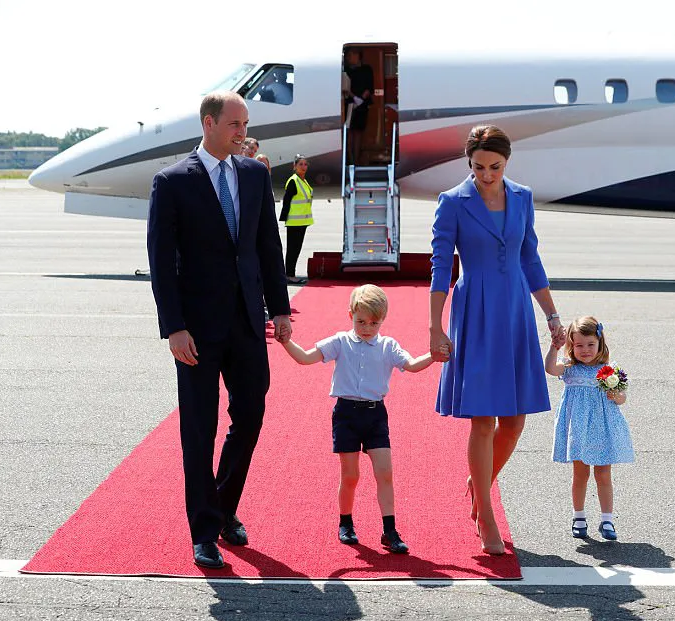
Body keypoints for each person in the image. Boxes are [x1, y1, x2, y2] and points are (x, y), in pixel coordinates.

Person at [147, 91, 292, 570]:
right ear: (209, 123)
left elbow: (268, 246)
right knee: (198, 429)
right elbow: (162, 264)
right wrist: (173, 328)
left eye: (245, 123)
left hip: (249, 321)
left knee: (250, 414)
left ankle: (225, 506)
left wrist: (281, 309)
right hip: (196, 331)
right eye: (234, 123)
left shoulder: (254, 174)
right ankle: (204, 530)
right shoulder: (171, 183)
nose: (242, 132)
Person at [429, 124, 565, 555]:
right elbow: (439, 268)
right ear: (468, 162)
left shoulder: (522, 197)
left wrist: (552, 315)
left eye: (495, 167)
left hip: (515, 311)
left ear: (507, 163)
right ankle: (486, 515)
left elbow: (531, 258)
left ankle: (478, 482)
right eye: (479, 167)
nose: (487, 175)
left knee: (515, 421)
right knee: (483, 419)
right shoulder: (452, 202)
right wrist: (436, 327)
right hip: (475, 312)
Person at [280, 284, 438, 554]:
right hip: (346, 415)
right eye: (361, 321)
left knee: (385, 472)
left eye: (374, 322)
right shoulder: (340, 342)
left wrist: (434, 356)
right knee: (350, 475)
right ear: (350, 315)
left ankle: (389, 530)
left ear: (382, 320)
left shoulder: (388, 345)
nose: (367, 328)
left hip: (376, 414)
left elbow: (410, 365)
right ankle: (346, 522)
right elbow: (305, 358)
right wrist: (286, 342)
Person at [545, 316, 634, 541]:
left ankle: (607, 520)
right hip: (579, 429)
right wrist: (553, 348)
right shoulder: (569, 368)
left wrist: (616, 394)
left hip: (603, 428)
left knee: (603, 474)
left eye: (590, 344)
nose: (585, 350)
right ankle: (579, 516)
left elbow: (622, 398)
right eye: (579, 345)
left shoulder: (609, 369)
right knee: (580, 474)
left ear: (600, 343)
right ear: (571, 346)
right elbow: (549, 369)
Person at [278, 155, 314, 284]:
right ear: (294, 167)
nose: (304, 167)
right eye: (301, 164)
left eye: (305, 164)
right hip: (294, 221)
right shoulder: (293, 181)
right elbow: (286, 201)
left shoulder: (303, 181)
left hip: (302, 221)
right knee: (293, 249)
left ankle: (290, 273)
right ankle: (289, 275)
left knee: (297, 249)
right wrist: (284, 218)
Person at [343, 48, 373, 165]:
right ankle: (350, 159)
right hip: (349, 103)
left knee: (358, 132)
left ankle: (356, 160)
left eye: (350, 55)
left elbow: (369, 87)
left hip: (362, 105)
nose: (348, 58)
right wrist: (354, 98)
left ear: (357, 55)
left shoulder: (367, 69)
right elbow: (344, 88)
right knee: (349, 131)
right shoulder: (345, 70)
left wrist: (361, 99)